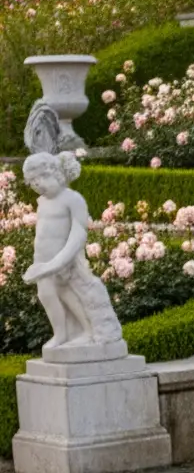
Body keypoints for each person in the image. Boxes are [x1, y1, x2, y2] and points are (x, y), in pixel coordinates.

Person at [21, 150, 123, 351]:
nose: (37, 185)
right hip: (43, 259)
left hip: (64, 260)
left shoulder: (72, 199)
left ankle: (85, 331)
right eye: (33, 182)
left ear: (55, 173)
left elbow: (79, 233)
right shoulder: (42, 202)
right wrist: (40, 263)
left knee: (66, 293)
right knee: (49, 294)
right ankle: (65, 333)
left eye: (42, 178)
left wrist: (59, 261)